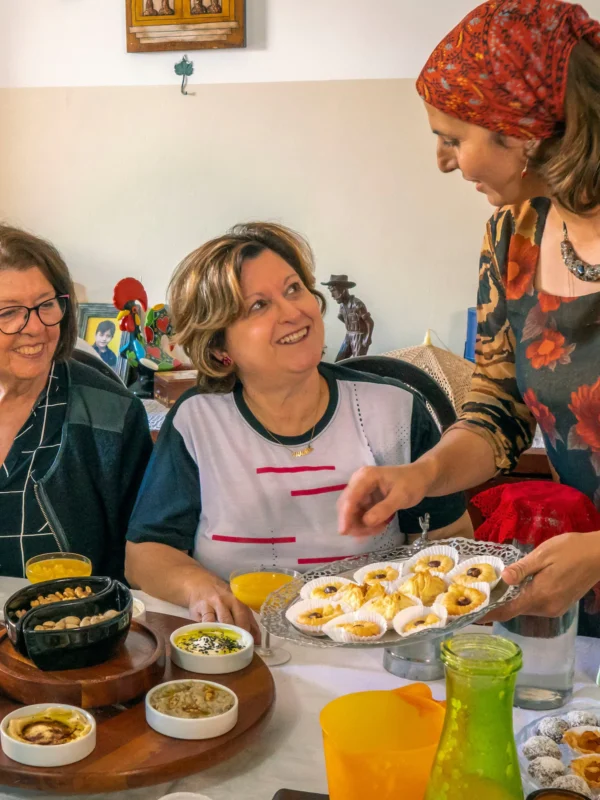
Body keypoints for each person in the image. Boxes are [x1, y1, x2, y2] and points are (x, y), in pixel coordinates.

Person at [337, 0, 600, 624]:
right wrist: (423, 474)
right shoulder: (512, 237)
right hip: (578, 585)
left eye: (453, 138)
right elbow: (497, 411)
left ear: (523, 130)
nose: (443, 161)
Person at [125, 223, 471, 633]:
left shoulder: (394, 410)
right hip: (242, 646)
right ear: (220, 349)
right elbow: (144, 554)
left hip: (372, 644)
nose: (293, 312)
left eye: (293, 289)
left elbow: (451, 541)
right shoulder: (198, 420)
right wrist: (200, 587)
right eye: (258, 306)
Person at [0, 225, 152, 579]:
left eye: (46, 305)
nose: (35, 327)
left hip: (69, 626)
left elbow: (143, 555)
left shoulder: (111, 414)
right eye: (8, 313)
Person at [321, 274, 374, 361]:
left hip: (359, 336)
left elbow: (370, 322)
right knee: (339, 361)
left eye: (334, 291)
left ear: (343, 290)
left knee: (358, 362)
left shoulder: (357, 304)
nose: (332, 296)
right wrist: (350, 325)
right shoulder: (342, 305)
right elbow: (341, 317)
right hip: (348, 335)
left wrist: (367, 337)